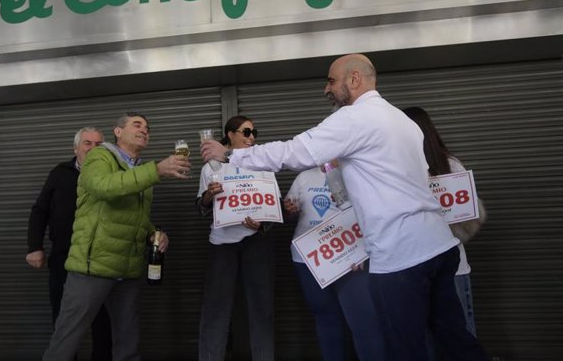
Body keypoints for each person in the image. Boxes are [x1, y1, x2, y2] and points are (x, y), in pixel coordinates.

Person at [200, 54, 489, 361]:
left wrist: (231, 155)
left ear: (355, 79)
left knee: (406, 348)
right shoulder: (403, 122)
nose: (327, 89)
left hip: (403, 257)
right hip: (439, 247)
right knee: (456, 340)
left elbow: (294, 152)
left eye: (331, 80)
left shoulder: (354, 117)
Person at [43, 112, 191, 361]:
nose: (144, 129)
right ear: (118, 131)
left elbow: (135, 218)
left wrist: (154, 233)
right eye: (137, 124)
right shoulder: (99, 156)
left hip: (128, 270)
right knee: (66, 342)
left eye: (147, 127)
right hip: (93, 268)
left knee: (127, 344)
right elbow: (104, 186)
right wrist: (155, 170)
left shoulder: (141, 170)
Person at [283, 165, 389, 361]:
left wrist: (362, 251)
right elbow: (290, 212)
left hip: (350, 257)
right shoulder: (305, 176)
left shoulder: (357, 171)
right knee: (326, 319)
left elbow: (374, 212)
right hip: (309, 258)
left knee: (364, 322)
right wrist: (290, 209)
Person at [26, 126, 113, 361]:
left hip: (99, 258)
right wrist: (35, 246)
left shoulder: (111, 174)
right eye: (87, 143)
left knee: (103, 320)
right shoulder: (60, 173)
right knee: (63, 318)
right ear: (76, 148)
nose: (93, 148)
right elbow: (40, 210)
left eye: (98, 144)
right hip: (63, 257)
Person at [196, 116, 278, 361]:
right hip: (222, 244)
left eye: (254, 132)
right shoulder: (211, 167)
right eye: (246, 131)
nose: (252, 137)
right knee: (215, 308)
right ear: (230, 135)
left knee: (262, 307)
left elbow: (273, 208)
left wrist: (263, 223)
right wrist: (209, 196)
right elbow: (200, 207)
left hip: (255, 242)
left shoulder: (263, 163)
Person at [403, 106, 487, 337]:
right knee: (424, 336)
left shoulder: (450, 166)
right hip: (414, 267)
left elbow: (472, 217)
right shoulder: (397, 171)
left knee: (459, 335)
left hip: (449, 266)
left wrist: (443, 234)